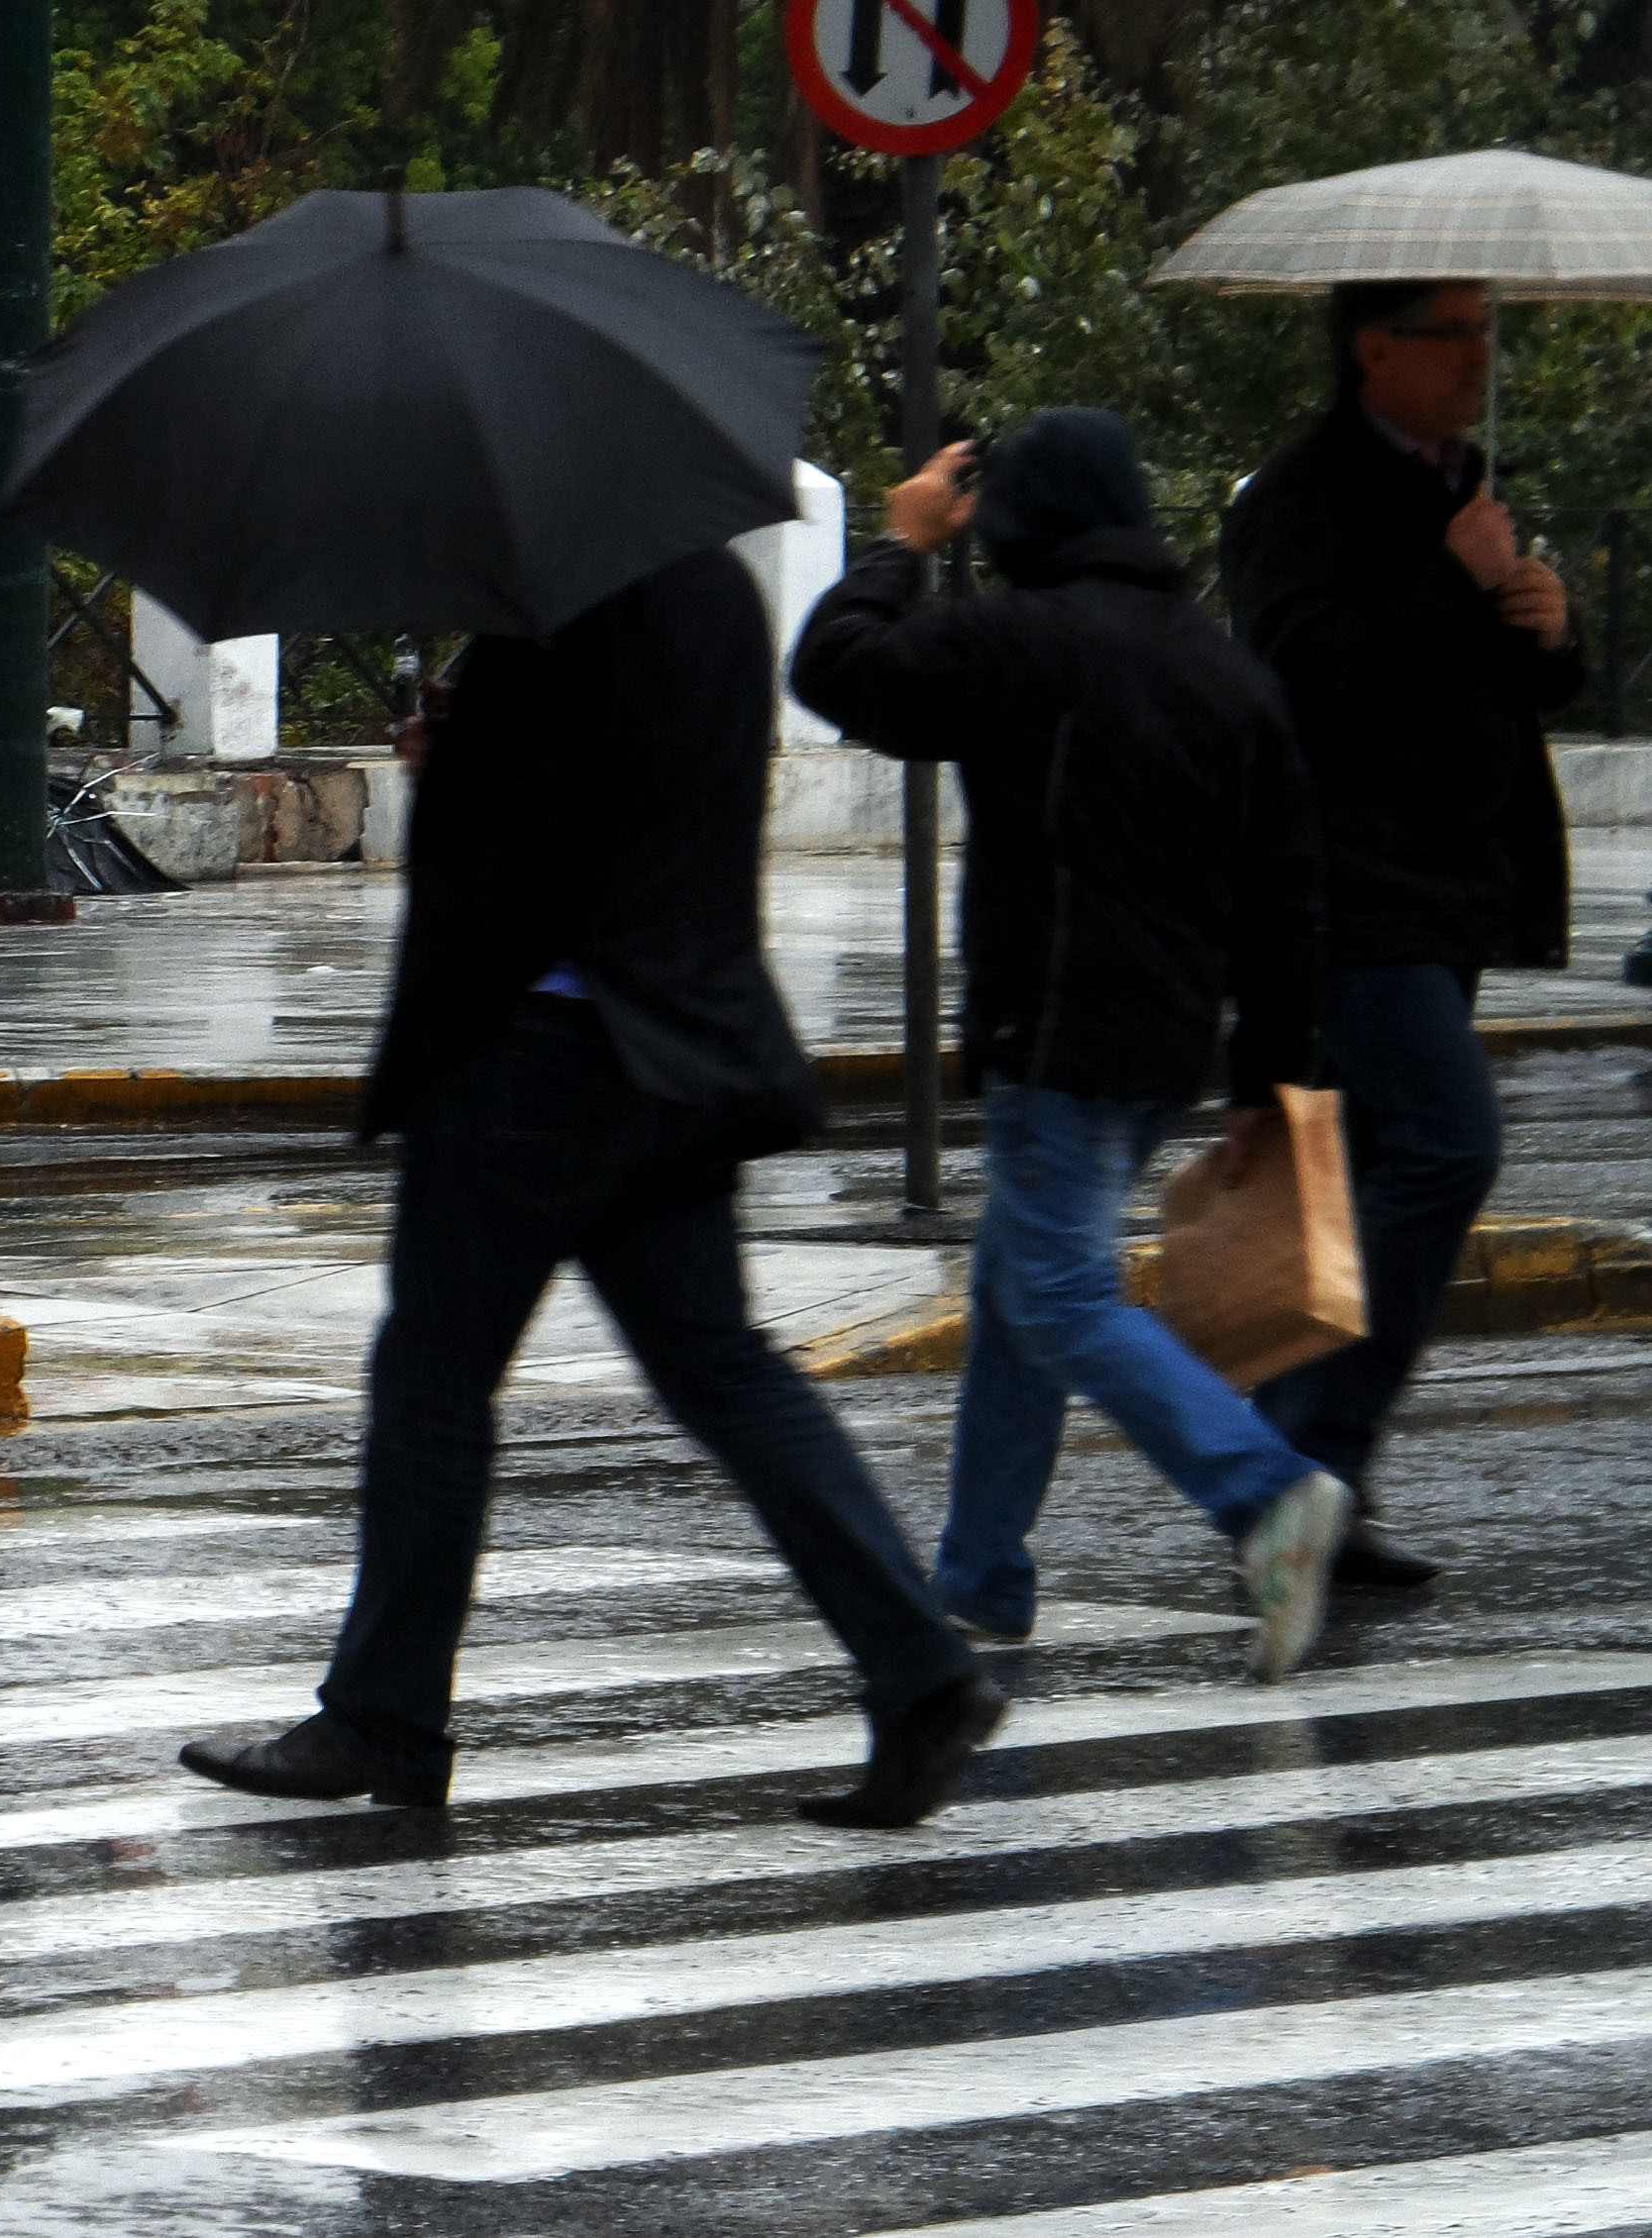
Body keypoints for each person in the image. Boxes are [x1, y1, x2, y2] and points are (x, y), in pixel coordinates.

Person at [179, 547, 998, 1827]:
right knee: (724, 1368)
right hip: (672, 1047)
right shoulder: (713, 595)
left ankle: (382, 1715)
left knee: (434, 1379)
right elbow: (648, 787)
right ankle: (917, 1666)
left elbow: (537, 832)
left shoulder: (565, 598)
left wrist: (450, 769)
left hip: (540, 1053)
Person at [793, 410, 1350, 1678]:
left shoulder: (1022, 642)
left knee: (1056, 1294)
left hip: (1055, 1031)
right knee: (1011, 1295)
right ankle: (981, 1575)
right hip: (1165, 1046)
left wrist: (897, 544)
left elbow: (837, 673)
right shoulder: (1217, 664)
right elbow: (1288, 887)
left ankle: (1265, 1491)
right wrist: (1273, 1069)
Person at [1223, 279, 1582, 1586]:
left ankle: (1318, 1486)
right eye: (1453, 333)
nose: (1478, 357)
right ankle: (1291, 1462)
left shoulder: (1462, 488)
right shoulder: (1295, 501)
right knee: (1446, 1142)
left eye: (1484, 333)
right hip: (1347, 883)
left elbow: (1480, 681)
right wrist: (1449, 580)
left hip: (1453, 879)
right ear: (1372, 348)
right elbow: (1300, 677)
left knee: (1360, 1177)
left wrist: (1545, 629)